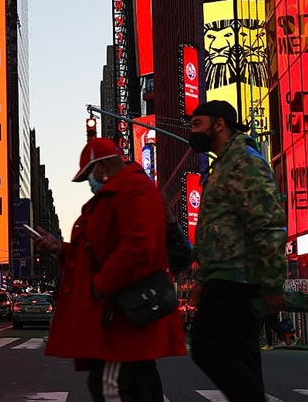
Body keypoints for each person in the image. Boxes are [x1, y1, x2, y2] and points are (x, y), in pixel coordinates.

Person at [35, 138, 186, 402]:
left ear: (102, 167)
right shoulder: (122, 191)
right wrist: (61, 249)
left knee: (110, 386)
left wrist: (99, 286)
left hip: (120, 317)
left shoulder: (132, 189)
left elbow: (139, 246)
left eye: (89, 175)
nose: (89, 183)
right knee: (134, 386)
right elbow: (101, 250)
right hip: (121, 313)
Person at [188, 101, 287, 402]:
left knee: (208, 347)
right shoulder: (225, 164)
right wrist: (202, 281)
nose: (193, 132)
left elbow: (268, 223)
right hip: (226, 277)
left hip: (236, 278)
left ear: (220, 124)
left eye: (197, 124)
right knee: (242, 357)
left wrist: (272, 282)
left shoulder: (244, 161)